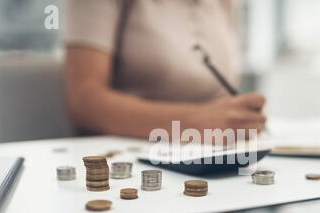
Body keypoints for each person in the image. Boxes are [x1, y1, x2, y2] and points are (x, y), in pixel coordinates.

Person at [65, 0, 266, 140]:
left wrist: (237, 117)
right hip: (126, 153)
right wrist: (193, 122)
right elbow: (84, 101)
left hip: (204, 151)